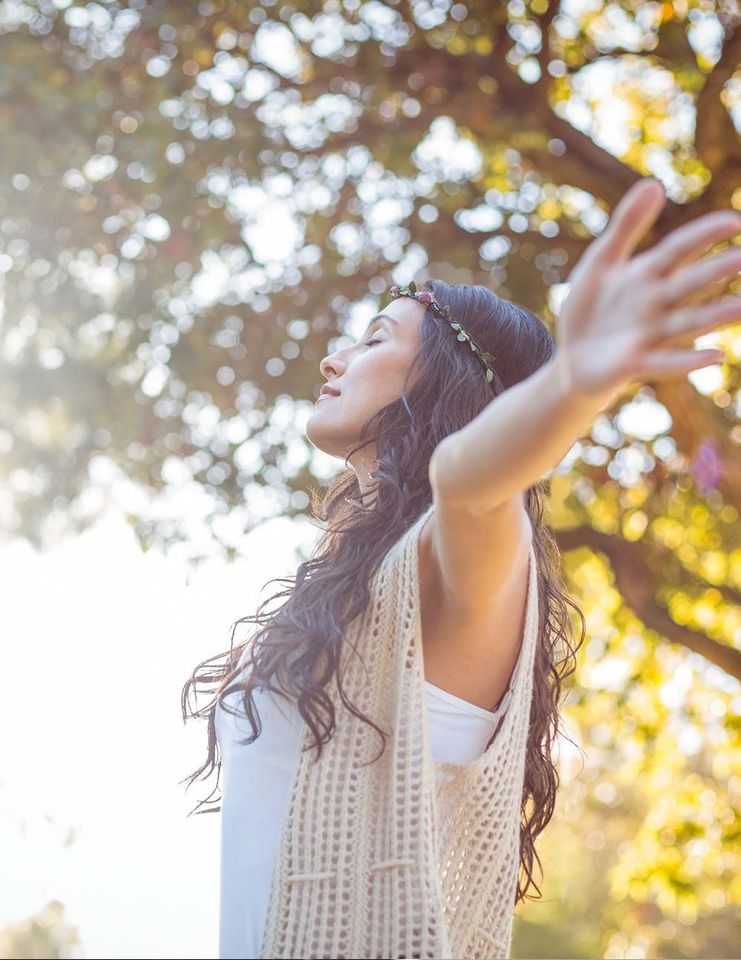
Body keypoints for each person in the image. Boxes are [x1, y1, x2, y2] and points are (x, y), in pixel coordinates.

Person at [180, 177, 740, 959]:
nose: (333, 359)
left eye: (375, 339)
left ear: (446, 377)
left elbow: (470, 485)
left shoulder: (464, 560)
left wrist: (572, 385)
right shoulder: (357, 587)